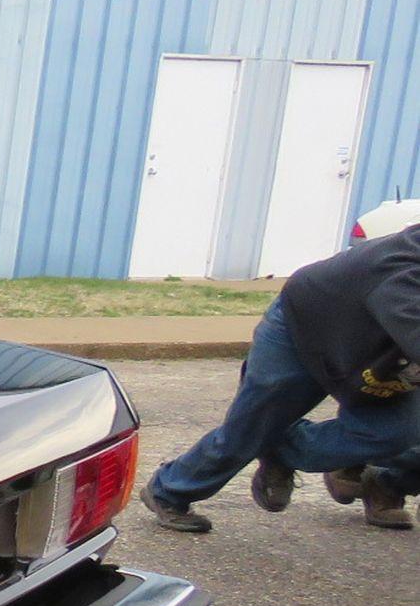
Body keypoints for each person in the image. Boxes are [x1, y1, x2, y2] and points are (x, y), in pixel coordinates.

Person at [143, 227, 420, 533]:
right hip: (301, 328)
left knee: (395, 431)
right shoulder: (403, 277)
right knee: (249, 429)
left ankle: (285, 448)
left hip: (378, 348)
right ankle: (168, 490)